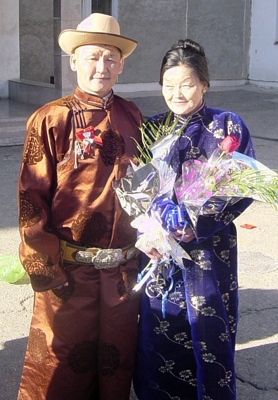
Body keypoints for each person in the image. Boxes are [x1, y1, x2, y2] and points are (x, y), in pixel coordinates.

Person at [17, 13, 143, 400]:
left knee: (116, 366)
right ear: (73, 60)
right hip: (70, 273)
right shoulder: (49, 119)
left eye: (109, 58)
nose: (101, 67)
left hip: (122, 274)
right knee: (62, 370)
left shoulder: (133, 116)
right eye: (91, 57)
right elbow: (31, 200)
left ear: (121, 64)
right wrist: (47, 269)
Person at [133, 39, 255, 400]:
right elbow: (139, 186)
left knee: (208, 328)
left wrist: (191, 223)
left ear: (204, 83)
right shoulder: (152, 128)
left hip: (208, 252)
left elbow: (240, 188)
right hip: (160, 252)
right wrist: (155, 224)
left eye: (186, 83)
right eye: (169, 85)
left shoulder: (227, 126)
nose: (177, 93)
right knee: (159, 327)